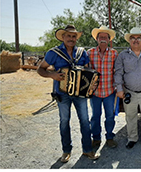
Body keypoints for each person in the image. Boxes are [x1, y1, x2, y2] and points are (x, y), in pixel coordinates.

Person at [38, 25, 99, 163]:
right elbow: (40, 70)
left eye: (74, 36)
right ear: (63, 37)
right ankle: (66, 151)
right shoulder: (53, 53)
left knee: (84, 120)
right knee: (64, 121)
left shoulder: (82, 53)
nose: (71, 39)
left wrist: (92, 82)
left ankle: (87, 149)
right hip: (62, 93)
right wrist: (52, 75)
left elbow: (88, 71)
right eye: (69, 36)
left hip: (80, 94)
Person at [115, 26, 141, 150]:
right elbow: (118, 73)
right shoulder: (122, 55)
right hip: (129, 91)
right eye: (133, 38)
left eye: (139, 38)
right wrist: (119, 88)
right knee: (130, 116)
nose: (136, 40)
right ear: (129, 40)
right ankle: (132, 138)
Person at [87, 26, 118, 149]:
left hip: (109, 91)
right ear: (97, 39)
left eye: (105, 37)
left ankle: (109, 137)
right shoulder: (90, 53)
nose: (103, 39)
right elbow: (86, 70)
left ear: (109, 39)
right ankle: (96, 138)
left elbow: (117, 70)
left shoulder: (114, 53)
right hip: (95, 92)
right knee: (95, 116)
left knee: (110, 116)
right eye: (101, 37)